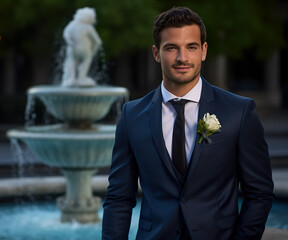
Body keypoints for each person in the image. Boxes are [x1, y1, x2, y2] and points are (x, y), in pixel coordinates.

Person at [102, 6, 274, 240]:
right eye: (171, 48)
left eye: (191, 47)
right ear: (156, 53)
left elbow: (259, 193)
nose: (182, 58)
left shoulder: (239, 112)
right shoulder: (132, 115)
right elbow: (119, 197)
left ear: (203, 50)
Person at [62, 7, 102, 87]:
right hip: (85, 50)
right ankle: (81, 78)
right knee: (86, 60)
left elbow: (66, 33)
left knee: (72, 62)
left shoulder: (72, 24)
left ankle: (71, 79)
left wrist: (69, 41)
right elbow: (98, 41)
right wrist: (93, 50)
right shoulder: (88, 27)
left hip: (72, 49)